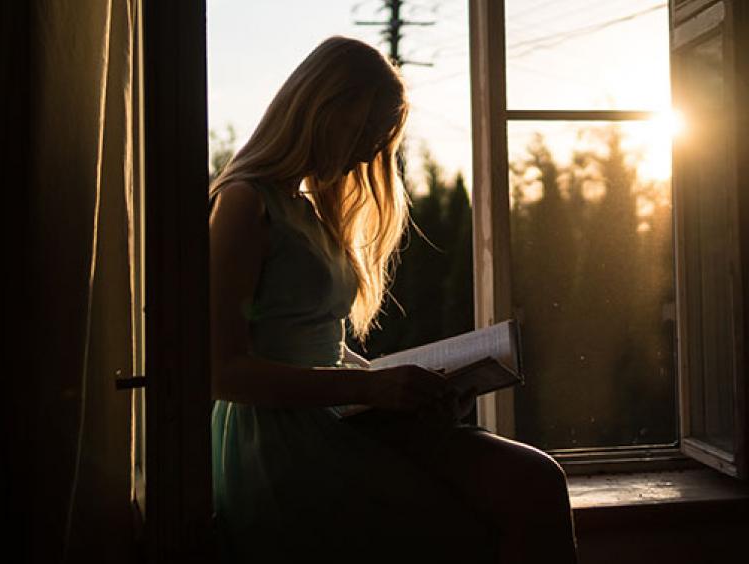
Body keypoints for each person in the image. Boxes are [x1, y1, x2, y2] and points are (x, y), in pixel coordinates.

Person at [209, 36, 578, 564]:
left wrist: (419, 387)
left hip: (331, 416)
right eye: (364, 132)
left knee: (536, 478)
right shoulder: (244, 203)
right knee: (481, 521)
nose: (366, 154)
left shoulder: (305, 210)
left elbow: (320, 345)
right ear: (323, 108)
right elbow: (223, 372)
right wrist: (370, 386)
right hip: (275, 445)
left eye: (379, 143)